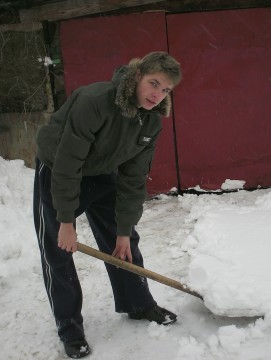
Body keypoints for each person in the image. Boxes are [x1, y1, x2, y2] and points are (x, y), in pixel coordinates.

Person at [33, 51, 182, 359]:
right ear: (137, 76)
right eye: (154, 83)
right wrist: (65, 222)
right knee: (57, 250)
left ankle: (138, 303)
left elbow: (133, 179)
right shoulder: (95, 101)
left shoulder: (151, 122)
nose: (158, 94)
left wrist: (124, 230)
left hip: (101, 172)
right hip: (57, 168)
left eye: (166, 89)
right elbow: (68, 163)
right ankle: (69, 328)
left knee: (125, 242)